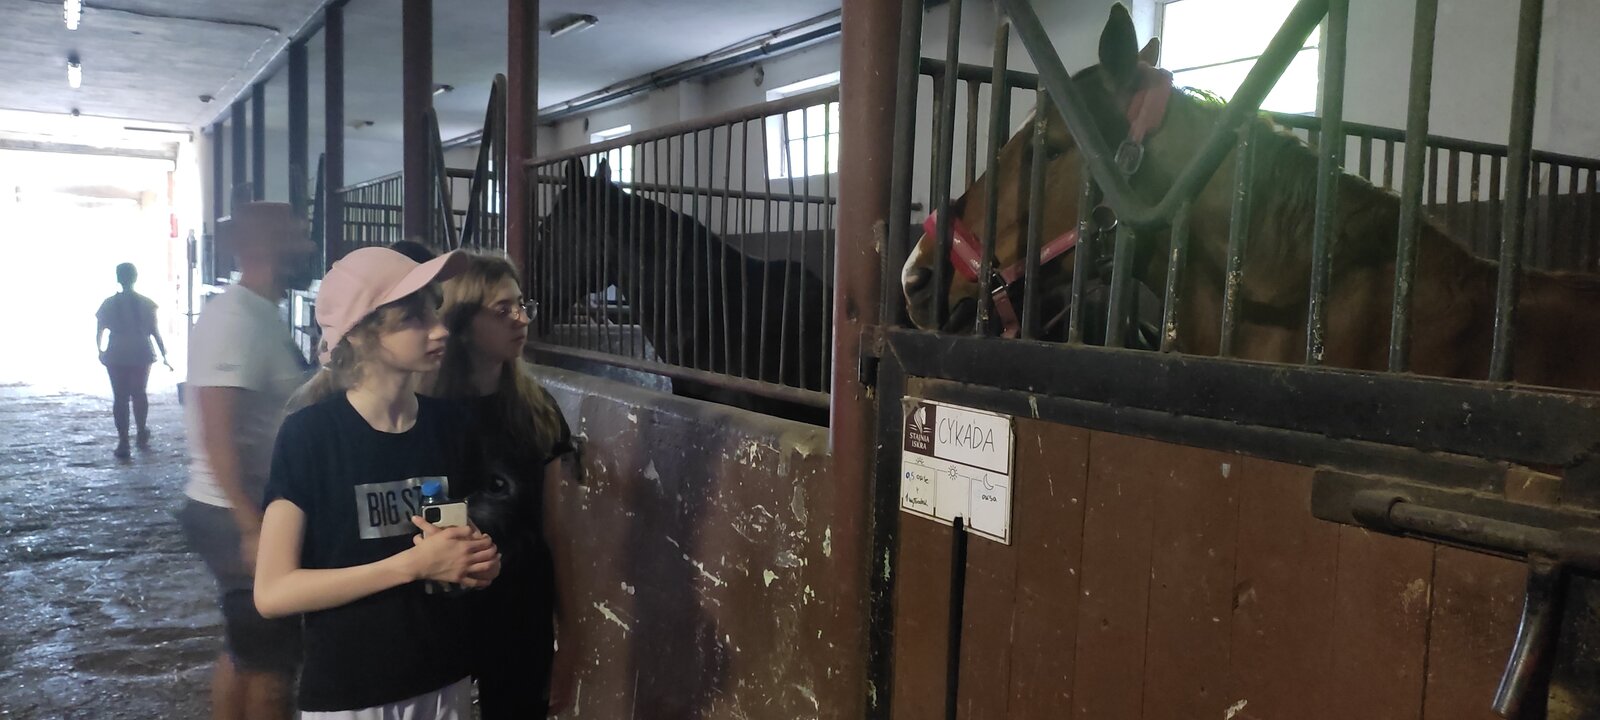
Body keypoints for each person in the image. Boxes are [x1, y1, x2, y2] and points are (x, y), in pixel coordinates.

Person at [254, 246, 501, 719]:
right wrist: (412, 565)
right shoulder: (311, 436)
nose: (439, 329)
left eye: (433, 311)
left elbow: (451, 545)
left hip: (443, 679)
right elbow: (273, 592)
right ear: (360, 334)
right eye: (412, 318)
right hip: (353, 694)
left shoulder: (452, 427)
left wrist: (478, 563)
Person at [178, 202, 316, 720]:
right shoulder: (235, 319)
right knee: (273, 668)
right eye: (297, 237)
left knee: (248, 651)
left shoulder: (262, 314)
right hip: (233, 511)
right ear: (261, 246)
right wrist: (251, 525)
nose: (308, 248)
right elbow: (217, 431)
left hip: (245, 507)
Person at [428, 252, 579, 718]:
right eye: (502, 310)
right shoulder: (425, 412)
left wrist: (571, 632)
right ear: (463, 322)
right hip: (446, 612)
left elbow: (554, 530)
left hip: (521, 609)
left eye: (522, 305)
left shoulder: (537, 410)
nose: (521, 320)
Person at [96, 262, 170, 459]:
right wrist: (164, 354)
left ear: (118, 278)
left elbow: (100, 331)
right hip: (141, 350)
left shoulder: (108, 304)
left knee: (120, 397)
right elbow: (154, 331)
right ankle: (141, 431)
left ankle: (123, 441)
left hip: (117, 351)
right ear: (135, 277)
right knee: (139, 393)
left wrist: (100, 351)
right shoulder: (147, 303)